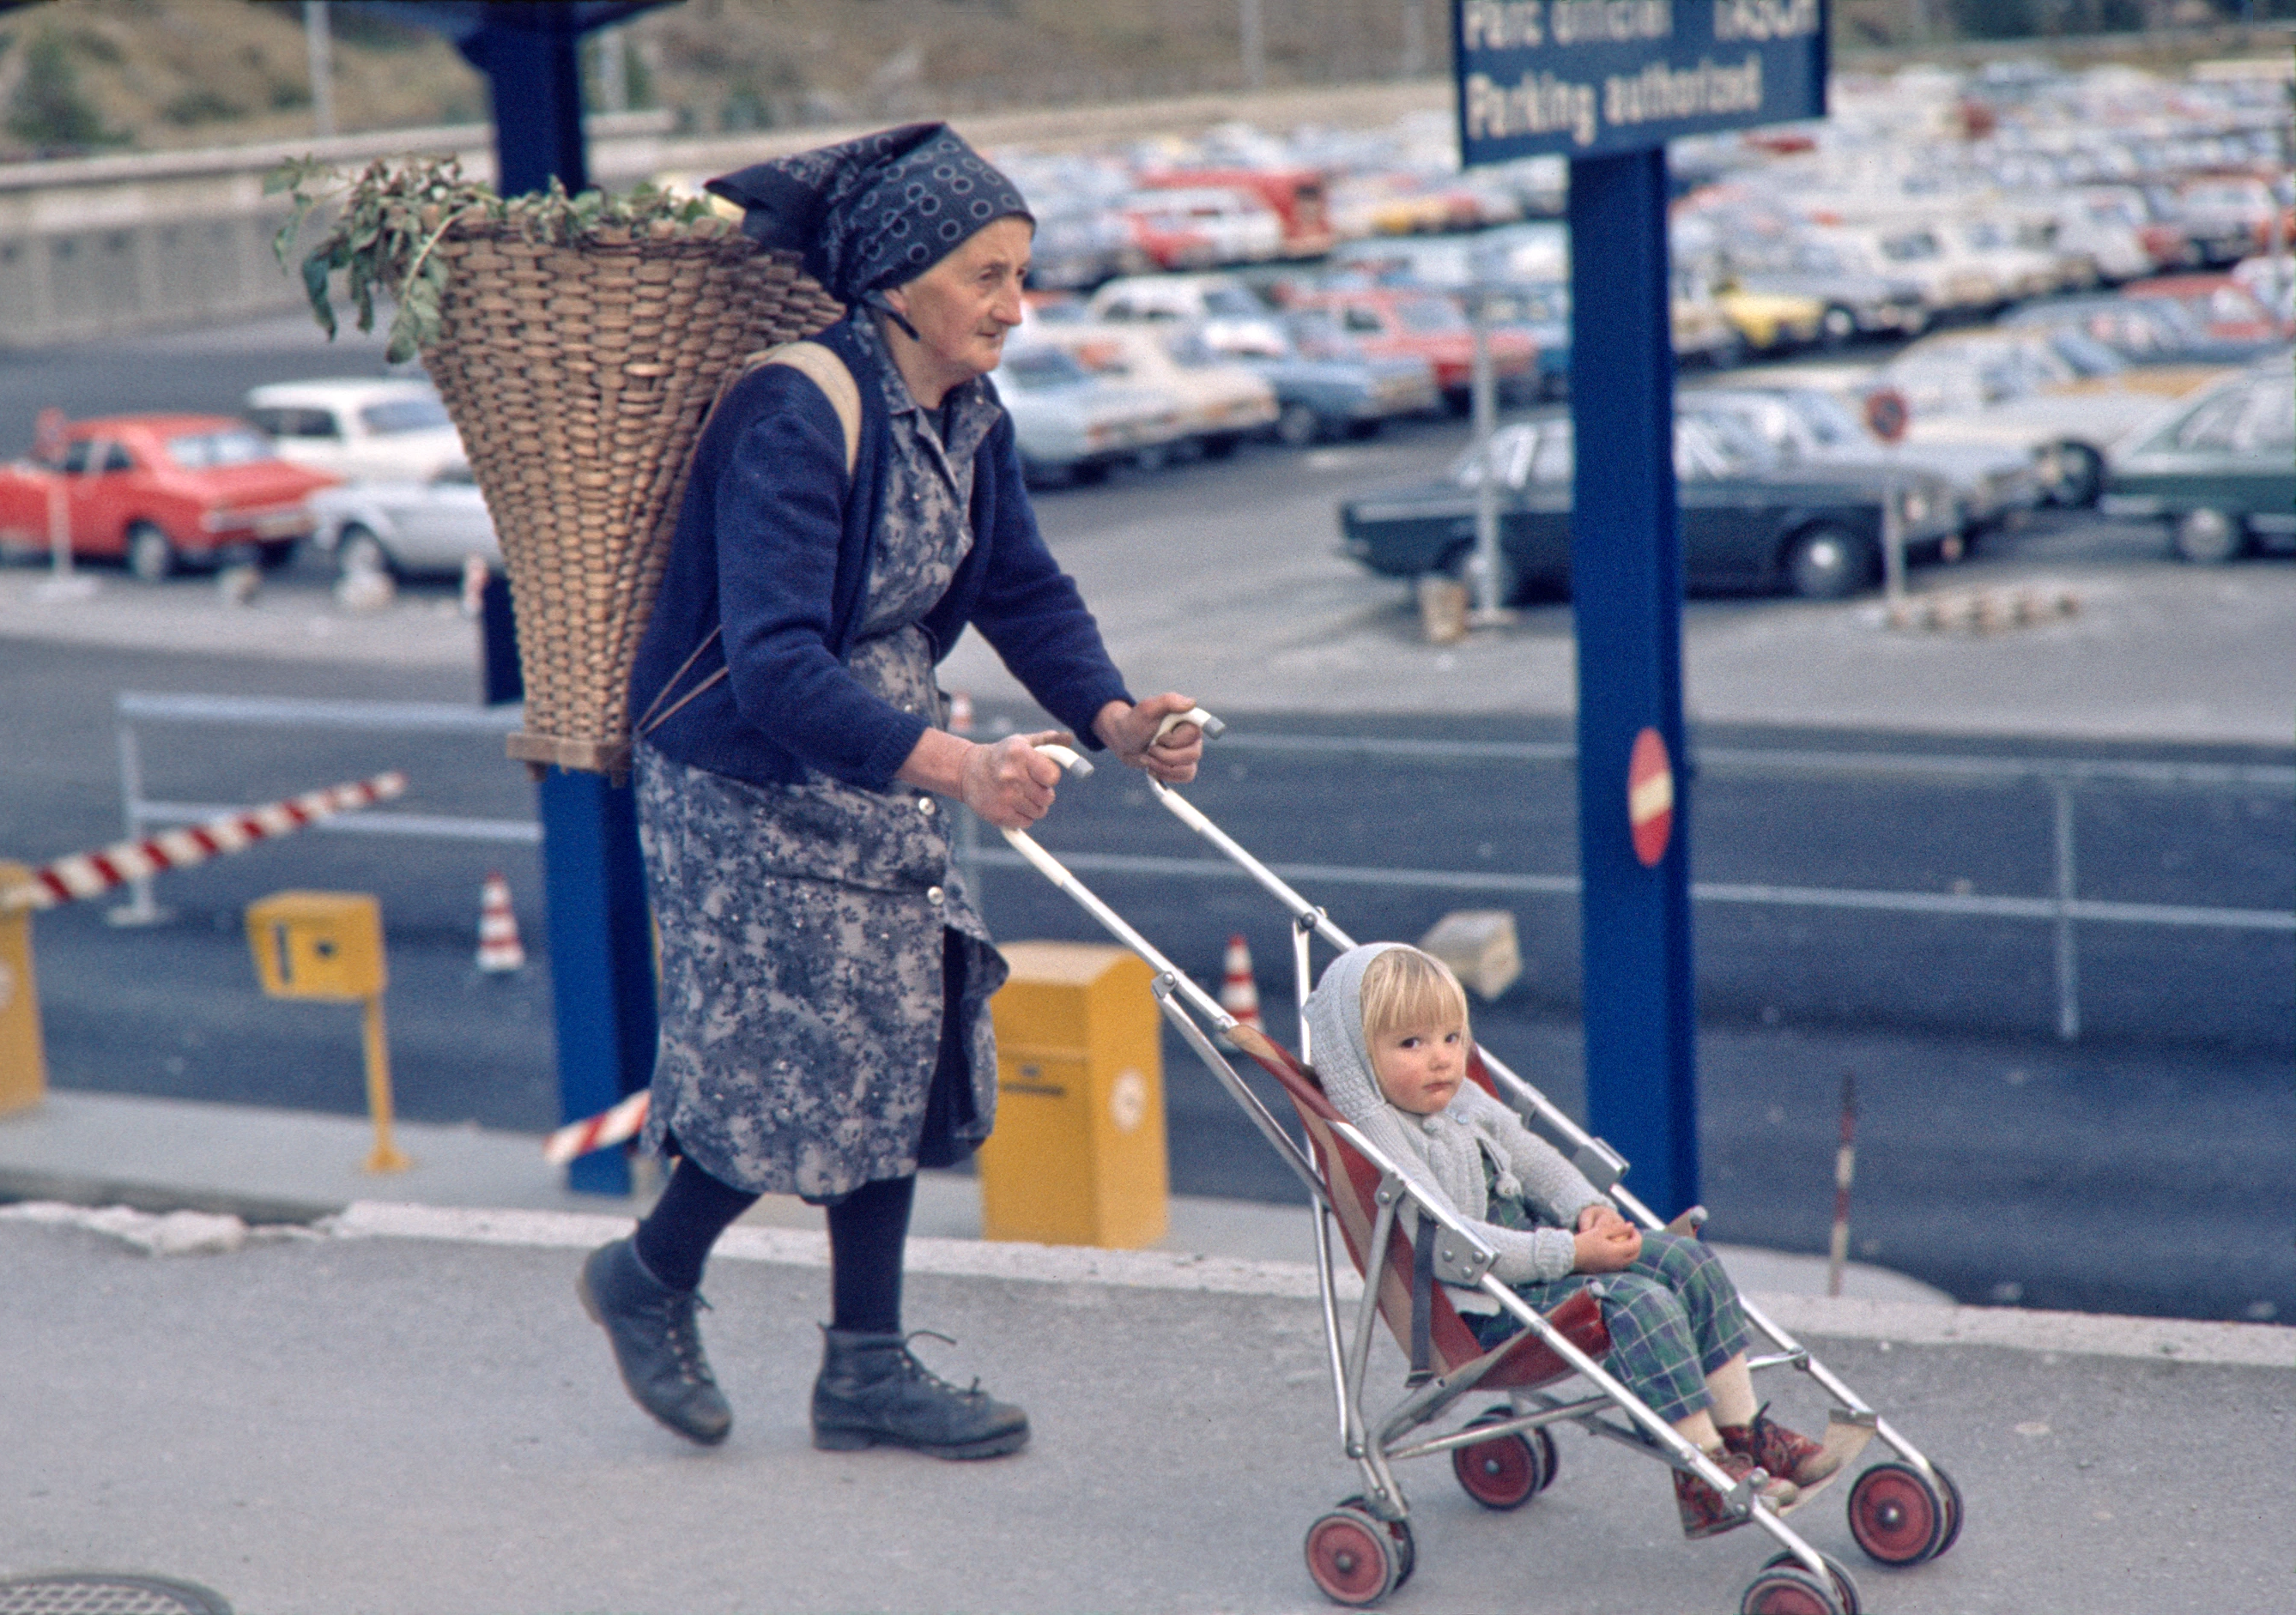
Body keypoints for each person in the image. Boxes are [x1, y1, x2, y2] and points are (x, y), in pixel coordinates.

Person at [575, 123, 1205, 1463]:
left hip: (883, 761)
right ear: (898, 277)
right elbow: (776, 664)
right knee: (784, 1064)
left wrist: (1113, 715)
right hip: (748, 779)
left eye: (1021, 273)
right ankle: (648, 1274)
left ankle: (863, 1366)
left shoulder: (970, 416)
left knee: (903, 1039)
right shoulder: (794, 409)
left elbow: (1024, 588)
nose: (1013, 305)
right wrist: (965, 767)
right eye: (988, 273)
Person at [1300, 943, 1849, 1537]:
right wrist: (1573, 1253)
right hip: (1485, 1307)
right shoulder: (1385, 1141)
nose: (1440, 1060)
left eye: (1452, 1038)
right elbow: (1456, 1251)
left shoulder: (1460, 1098)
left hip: (1544, 1265)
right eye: (1411, 1044)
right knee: (1641, 1303)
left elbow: (1532, 1158)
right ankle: (1703, 1473)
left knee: (1687, 1260)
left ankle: (1744, 1431)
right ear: (1359, 1058)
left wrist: (1586, 1208)